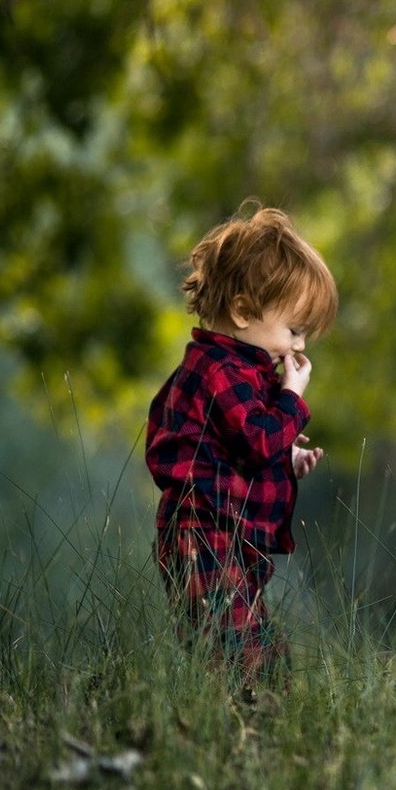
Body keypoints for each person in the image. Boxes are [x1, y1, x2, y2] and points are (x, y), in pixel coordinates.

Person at [146, 202, 337, 683]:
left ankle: (249, 739)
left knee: (259, 655)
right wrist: (291, 401)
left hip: (230, 538)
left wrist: (285, 459)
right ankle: (240, 739)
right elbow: (255, 439)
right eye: (294, 330)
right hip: (203, 536)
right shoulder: (219, 371)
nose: (299, 347)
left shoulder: (241, 374)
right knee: (241, 660)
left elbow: (236, 448)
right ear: (243, 311)